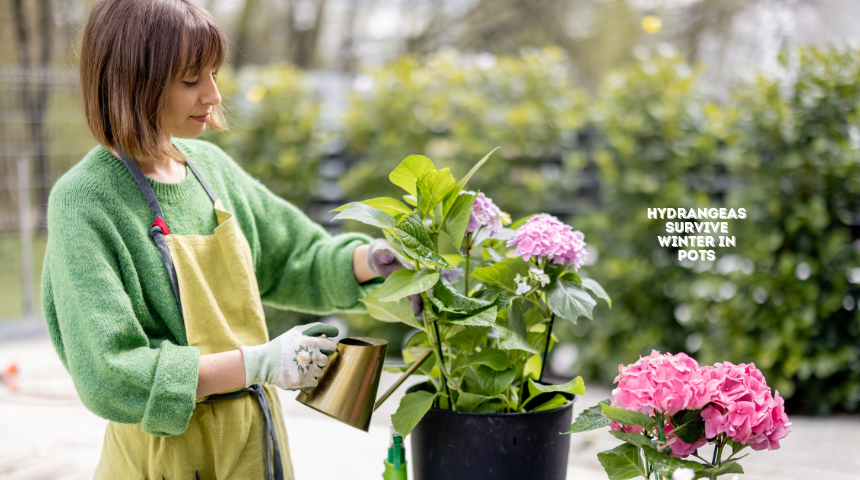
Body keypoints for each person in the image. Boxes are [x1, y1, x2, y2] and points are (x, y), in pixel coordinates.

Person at [40, 1, 420, 478]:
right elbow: (111, 374)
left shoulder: (210, 171)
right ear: (132, 80)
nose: (214, 95)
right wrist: (257, 364)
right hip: (167, 457)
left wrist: (373, 259)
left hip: (253, 444)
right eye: (191, 79)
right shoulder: (86, 202)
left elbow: (293, 257)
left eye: (214, 74)